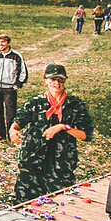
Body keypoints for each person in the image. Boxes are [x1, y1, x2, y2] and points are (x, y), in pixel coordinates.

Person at [10, 63, 93, 202]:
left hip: (61, 165)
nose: (56, 83)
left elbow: (85, 135)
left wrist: (63, 127)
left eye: (60, 80)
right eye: (52, 79)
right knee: (24, 203)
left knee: (62, 203)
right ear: (45, 80)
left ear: (65, 80)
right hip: (33, 162)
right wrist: (13, 130)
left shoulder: (75, 105)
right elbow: (18, 121)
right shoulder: (36, 102)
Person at [0, 33, 27, 141]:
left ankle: (11, 135)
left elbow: (22, 71)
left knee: (11, 113)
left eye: (3, 42)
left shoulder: (16, 56)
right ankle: (0, 134)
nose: (0, 44)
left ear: (8, 43)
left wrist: (18, 84)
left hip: (9, 89)